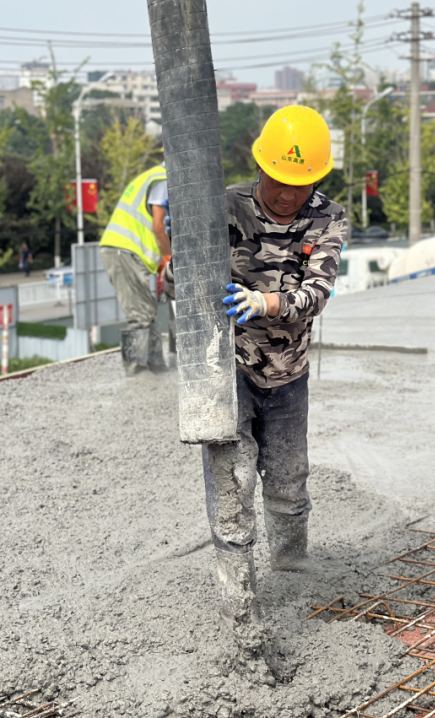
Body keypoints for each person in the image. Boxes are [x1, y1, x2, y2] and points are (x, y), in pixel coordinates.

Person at [164, 106, 349, 627]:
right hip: (230, 371)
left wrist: (265, 303)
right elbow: (179, 289)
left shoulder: (328, 217)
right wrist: (186, 253)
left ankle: (291, 563)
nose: (288, 194)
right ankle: (237, 588)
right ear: (261, 165)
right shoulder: (227, 208)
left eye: (301, 183)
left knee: (289, 479)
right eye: (280, 180)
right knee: (233, 481)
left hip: (288, 372)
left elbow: (318, 291)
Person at [99, 163, 171, 373]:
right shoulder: (163, 180)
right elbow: (158, 227)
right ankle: (135, 373)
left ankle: (157, 368)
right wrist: (169, 258)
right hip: (124, 250)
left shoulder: (152, 176)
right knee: (139, 315)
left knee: (147, 312)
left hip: (125, 250)